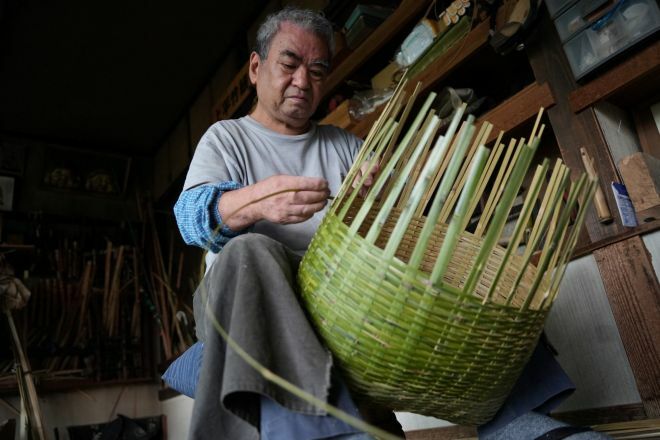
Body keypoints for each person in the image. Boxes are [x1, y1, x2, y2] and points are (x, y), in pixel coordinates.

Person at [174, 6, 609, 440]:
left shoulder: (343, 144)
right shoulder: (226, 137)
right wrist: (256, 202)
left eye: (318, 70)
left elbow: (387, 233)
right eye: (289, 65)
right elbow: (190, 220)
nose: (303, 82)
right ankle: (326, 433)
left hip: (333, 295)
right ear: (256, 67)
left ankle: (519, 424)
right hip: (248, 294)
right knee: (250, 249)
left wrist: (382, 202)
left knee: (462, 258)